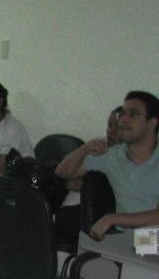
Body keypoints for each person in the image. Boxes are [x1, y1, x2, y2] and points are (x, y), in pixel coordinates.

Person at [55, 90, 159, 239]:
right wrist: (84, 149)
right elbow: (63, 172)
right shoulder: (111, 156)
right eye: (122, 114)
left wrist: (112, 218)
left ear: (152, 123)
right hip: (128, 240)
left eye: (134, 115)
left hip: (152, 238)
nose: (123, 120)